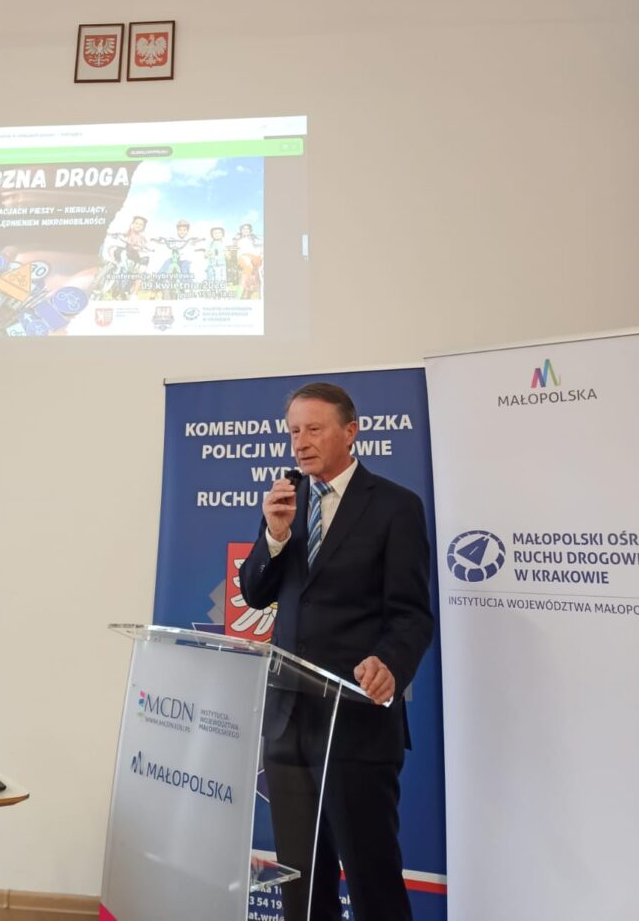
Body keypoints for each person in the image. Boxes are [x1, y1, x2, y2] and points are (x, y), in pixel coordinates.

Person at [238, 382, 433, 921]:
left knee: (372, 882)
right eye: (293, 431)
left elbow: (412, 614)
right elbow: (254, 592)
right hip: (288, 723)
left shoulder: (395, 507)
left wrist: (390, 663)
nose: (301, 442)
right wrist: (275, 536)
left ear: (350, 432)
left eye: (314, 429)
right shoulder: (286, 501)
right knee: (300, 885)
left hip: (356, 724)